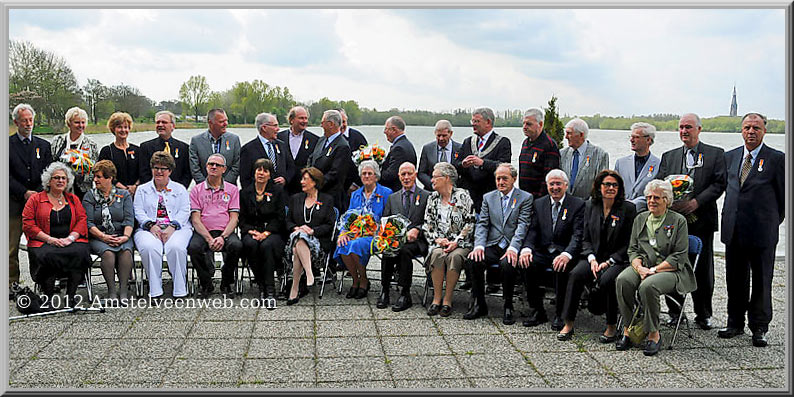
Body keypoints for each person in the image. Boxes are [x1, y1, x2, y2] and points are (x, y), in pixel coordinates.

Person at [718, 112, 785, 348]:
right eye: (747, 127)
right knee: (735, 279)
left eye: (756, 128)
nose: (751, 132)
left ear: (764, 131)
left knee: (761, 280)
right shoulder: (730, 157)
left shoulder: (777, 159)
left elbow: (783, 198)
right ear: (741, 130)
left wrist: (769, 221)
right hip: (733, 230)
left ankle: (759, 327)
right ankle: (734, 323)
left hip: (762, 232)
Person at [656, 112, 726, 331]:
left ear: (699, 129)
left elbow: (719, 183)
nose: (684, 131)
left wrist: (696, 202)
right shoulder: (669, 156)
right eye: (681, 127)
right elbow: (660, 181)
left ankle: (703, 313)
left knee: (702, 269)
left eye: (688, 127)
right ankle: (675, 312)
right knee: (671, 265)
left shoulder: (715, 154)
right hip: (673, 222)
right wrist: (669, 202)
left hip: (701, 220)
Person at [615, 179, 695, 356]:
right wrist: (640, 268)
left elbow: (679, 255)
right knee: (623, 280)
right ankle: (628, 328)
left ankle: (653, 334)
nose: (651, 201)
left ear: (666, 200)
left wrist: (654, 270)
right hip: (644, 266)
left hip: (671, 270)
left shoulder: (678, 221)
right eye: (649, 197)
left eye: (657, 197)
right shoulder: (640, 218)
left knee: (648, 285)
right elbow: (633, 249)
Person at [557, 170, 636, 341]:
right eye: (607, 184)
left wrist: (609, 261)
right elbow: (585, 238)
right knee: (576, 274)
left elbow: (629, 243)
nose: (610, 188)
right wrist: (591, 259)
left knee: (608, 280)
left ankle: (611, 326)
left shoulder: (628, 209)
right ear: (599, 187)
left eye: (615, 185)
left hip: (617, 260)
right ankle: (568, 323)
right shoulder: (590, 205)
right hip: (593, 257)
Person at [466, 163, 534, 322]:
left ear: (514, 179)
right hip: (493, 243)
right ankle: (479, 303)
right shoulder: (488, 198)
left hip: (511, 243)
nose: (501, 182)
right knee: (474, 260)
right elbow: (482, 224)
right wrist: (479, 246)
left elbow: (523, 226)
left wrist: (514, 248)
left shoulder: (525, 198)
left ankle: (508, 304)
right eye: (498, 179)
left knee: (508, 264)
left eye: (505, 178)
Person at [519, 169, 585, 330]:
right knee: (526, 263)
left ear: (566, 185)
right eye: (552, 184)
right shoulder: (539, 203)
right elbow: (533, 230)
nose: (555, 187)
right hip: (544, 251)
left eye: (558, 184)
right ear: (547, 185)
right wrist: (526, 248)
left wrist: (567, 254)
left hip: (565, 251)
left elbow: (578, 235)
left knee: (561, 266)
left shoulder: (577, 204)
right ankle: (537, 310)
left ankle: (560, 314)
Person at [22, 162, 91, 301]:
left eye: (63, 178)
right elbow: (28, 224)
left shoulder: (73, 199)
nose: (60, 181)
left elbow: (82, 220)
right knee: (48, 255)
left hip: (69, 241)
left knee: (81, 252)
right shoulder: (35, 199)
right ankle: (48, 297)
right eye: (56, 178)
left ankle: (70, 296)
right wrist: (50, 239)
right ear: (49, 181)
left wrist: (70, 238)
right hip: (44, 242)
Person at [133, 151, 192, 299]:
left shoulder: (180, 189)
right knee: (149, 248)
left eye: (163, 168)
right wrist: (151, 225)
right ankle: (155, 290)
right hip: (149, 229)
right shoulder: (142, 190)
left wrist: (172, 227)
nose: (159, 171)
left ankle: (180, 290)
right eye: (156, 168)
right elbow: (138, 211)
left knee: (176, 248)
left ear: (170, 171)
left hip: (177, 228)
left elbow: (185, 210)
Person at [422, 162, 476, 317]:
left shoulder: (463, 196)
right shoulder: (432, 198)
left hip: (461, 243)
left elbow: (470, 222)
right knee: (438, 254)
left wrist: (456, 241)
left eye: (434, 177)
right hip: (440, 242)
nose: (431, 180)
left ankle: (447, 299)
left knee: (454, 256)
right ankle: (436, 299)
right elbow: (427, 224)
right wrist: (438, 239)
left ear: (446, 178)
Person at [334, 160, 392, 299]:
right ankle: (355, 279)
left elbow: (388, 216)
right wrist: (343, 232)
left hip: (375, 234)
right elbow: (349, 216)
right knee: (343, 244)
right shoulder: (356, 194)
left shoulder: (386, 193)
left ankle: (364, 280)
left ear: (376, 176)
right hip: (355, 232)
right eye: (363, 174)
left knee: (355, 245)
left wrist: (378, 230)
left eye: (369, 173)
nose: (366, 176)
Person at [10, 103, 52, 293]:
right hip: (13, 203)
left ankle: (42, 280)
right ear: (15, 122)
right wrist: (24, 192)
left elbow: (48, 172)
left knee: (39, 243)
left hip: (38, 203)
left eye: (30, 120)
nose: (28, 124)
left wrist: (36, 193)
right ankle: (11, 283)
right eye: (24, 120)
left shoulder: (43, 146)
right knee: (10, 247)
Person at [188, 153, 243, 298]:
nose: (213, 167)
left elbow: (234, 218)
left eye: (217, 165)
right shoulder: (196, 190)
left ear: (224, 169)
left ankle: (226, 282)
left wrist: (223, 237)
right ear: (206, 167)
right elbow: (195, 219)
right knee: (193, 248)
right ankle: (206, 284)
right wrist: (208, 239)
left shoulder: (232, 190)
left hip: (225, 231)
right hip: (203, 231)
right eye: (210, 164)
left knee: (236, 246)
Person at [377, 162, 431, 312]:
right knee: (388, 249)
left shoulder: (427, 196)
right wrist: (388, 235)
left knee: (404, 250)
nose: (406, 177)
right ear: (399, 177)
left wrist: (417, 230)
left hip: (417, 241)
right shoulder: (392, 198)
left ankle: (405, 293)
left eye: (409, 174)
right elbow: (385, 219)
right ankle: (385, 289)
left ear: (415, 174)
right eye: (403, 174)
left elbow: (430, 222)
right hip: (397, 239)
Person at [82, 160, 134, 300]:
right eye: (95, 177)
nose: (95, 180)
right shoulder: (89, 196)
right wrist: (103, 237)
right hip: (98, 237)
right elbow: (88, 222)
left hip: (121, 235)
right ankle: (111, 290)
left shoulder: (124, 195)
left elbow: (129, 220)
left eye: (99, 177)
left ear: (109, 178)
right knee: (108, 254)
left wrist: (125, 237)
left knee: (126, 252)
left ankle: (123, 290)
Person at [284, 167, 336, 305]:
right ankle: (309, 273)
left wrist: (312, 231)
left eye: (305, 179)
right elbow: (287, 221)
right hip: (296, 237)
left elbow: (330, 225)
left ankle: (294, 290)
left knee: (297, 248)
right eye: (302, 179)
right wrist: (297, 228)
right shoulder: (295, 199)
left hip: (318, 242)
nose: (301, 182)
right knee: (299, 237)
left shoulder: (327, 199)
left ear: (314, 182)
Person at [239, 158, 287, 301]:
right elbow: (241, 218)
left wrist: (266, 233)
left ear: (270, 175)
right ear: (254, 173)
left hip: (272, 232)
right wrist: (251, 231)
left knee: (266, 245)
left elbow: (280, 217)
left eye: (265, 171)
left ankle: (270, 288)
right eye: (258, 170)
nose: (261, 173)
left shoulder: (277, 191)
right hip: (252, 231)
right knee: (251, 244)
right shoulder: (244, 193)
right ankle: (261, 285)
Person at [452, 107, 511, 213]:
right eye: (472, 121)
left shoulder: (503, 142)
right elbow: (456, 165)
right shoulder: (468, 142)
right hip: (468, 200)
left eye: (476, 121)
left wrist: (483, 163)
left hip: (490, 199)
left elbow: (504, 167)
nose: (473, 124)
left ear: (488, 122)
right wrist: (463, 164)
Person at [50, 106, 99, 200]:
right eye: (77, 122)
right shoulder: (57, 141)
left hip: (83, 192)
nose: (80, 125)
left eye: (83, 122)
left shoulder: (91, 145)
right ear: (69, 123)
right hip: (59, 190)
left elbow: (94, 169)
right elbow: (51, 164)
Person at [308, 109, 351, 214]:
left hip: (330, 195)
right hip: (314, 192)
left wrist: (315, 183)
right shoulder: (322, 140)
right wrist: (308, 175)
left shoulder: (342, 146)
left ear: (331, 124)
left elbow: (335, 173)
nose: (321, 125)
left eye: (322, 122)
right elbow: (311, 158)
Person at [240, 112, 295, 190]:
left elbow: (291, 167)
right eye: (275, 126)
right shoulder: (248, 149)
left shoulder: (281, 145)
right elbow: (245, 179)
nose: (278, 129)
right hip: (259, 197)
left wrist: (285, 179)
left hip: (280, 196)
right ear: (264, 128)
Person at [613, 122, 660, 212]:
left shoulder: (659, 165)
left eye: (636, 137)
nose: (631, 140)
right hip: (620, 212)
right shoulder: (620, 163)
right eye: (631, 136)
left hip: (645, 214)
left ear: (648, 140)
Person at [139, 110, 192, 188]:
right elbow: (144, 173)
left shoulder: (184, 148)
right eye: (158, 122)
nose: (160, 125)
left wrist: (179, 190)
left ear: (173, 126)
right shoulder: (145, 147)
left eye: (164, 122)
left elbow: (187, 173)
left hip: (176, 193)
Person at [559, 118, 609, 200]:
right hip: (566, 205)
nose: (566, 137)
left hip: (588, 207)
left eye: (569, 133)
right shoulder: (562, 154)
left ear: (581, 135)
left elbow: (601, 185)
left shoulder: (600, 155)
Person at [189, 108, 241, 185]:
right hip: (203, 190)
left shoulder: (234, 139)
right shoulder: (196, 141)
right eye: (221, 122)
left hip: (228, 190)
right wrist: (206, 186)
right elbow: (195, 168)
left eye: (226, 120)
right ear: (210, 123)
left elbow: (237, 165)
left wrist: (223, 185)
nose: (225, 124)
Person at [518, 108, 560, 199]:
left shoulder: (549, 145)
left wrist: (540, 201)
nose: (525, 127)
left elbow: (549, 177)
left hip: (539, 200)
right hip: (524, 198)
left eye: (529, 124)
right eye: (524, 123)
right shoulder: (525, 143)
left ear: (540, 124)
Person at [279, 106, 319, 196]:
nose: (304, 121)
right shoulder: (279, 138)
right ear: (291, 120)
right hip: (284, 188)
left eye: (306, 118)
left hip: (304, 189)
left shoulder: (314, 140)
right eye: (301, 118)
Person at [98, 112, 140, 196]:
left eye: (126, 127)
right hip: (115, 194)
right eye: (119, 127)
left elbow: (142, 171)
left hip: (136, 192)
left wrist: (135, 186)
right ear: (113, 129)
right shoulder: (107, 151)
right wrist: (123, 189)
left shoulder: (137, 150)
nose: (123, 130)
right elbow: (103, 173)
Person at [417, 120, 462, 191]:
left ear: (450, 133)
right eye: (438, 135)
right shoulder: (427, 149)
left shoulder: (460, 149)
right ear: (435, 133)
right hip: (432, 191)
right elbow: (421, 173)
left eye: (444, 136)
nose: (441, 139)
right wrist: (433, 185)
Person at [338, 107, 368, 207]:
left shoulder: (357, 137)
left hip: (356, 187)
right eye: (339, 122)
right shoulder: (329, 138)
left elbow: (367, 163)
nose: (342, 125)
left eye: (344, 121)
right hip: (337, 188)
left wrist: (357, 184)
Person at [378, 116, 418, 193]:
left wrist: (376, 172)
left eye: (386, 129)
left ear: (394, 129)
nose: (384, 132)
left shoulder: (399, 148)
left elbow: (391, 175)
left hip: (398, 191)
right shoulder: (406, 144)